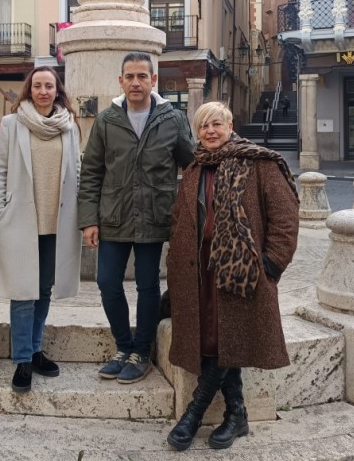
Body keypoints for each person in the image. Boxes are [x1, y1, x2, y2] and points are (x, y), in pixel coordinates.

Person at [165, 102, 299, 451]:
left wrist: (271, 265)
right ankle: (237, 414)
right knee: (215, 340)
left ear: (230, 125)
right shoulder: (195, 168)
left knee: (227, 338)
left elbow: (286, 217)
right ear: (197, 132)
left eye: (216, 124)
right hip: (200, 271)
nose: (210, 131)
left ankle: (193, 415)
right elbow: (180, 218)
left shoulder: (259, 162)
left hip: (242, 274)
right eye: (203, 126)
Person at [78, 51, 194, 384]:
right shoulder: (106, 120)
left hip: (154, 216)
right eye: (129, 76)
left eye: (142, 76)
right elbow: (91, 172)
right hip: (113, 215)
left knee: (147, 285)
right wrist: (89, 220)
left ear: (153, 80)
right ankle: (123, 346)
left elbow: (192, 165)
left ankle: (142, 351)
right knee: (107, 282)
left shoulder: (172, 119)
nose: (136, 82)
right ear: (121, 81)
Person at [0, 67, 81, 393]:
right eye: (38, 85)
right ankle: (23, 359)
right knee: (22, 292)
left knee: (43, 289)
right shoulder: (11, 124)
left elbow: (77, 171)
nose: (43, 91)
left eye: (49, 86)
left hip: (57, 222)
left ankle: (36, 349)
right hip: (19, 220)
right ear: (29, 89)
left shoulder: (69, 126)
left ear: (57, 90)